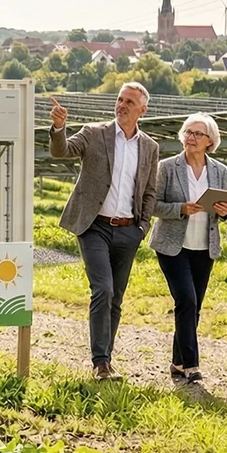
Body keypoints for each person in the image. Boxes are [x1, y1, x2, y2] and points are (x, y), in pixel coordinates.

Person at [48, 82, 160, 380]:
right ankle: (100, 362)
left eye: (129, 102)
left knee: (117, 297)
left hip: (128, 231)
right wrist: (59, 128)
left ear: (142, 110)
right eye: (120, 99)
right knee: (103, 289)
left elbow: (149, 191)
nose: (122, 105)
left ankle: (106, 360)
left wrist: (142, 227)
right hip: (94, 226)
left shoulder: (149, 147)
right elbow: (63, 151)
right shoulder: (93, 132)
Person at [149, 113, 227, 384]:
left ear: (210, 141)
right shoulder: (167, 167)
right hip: (172, 244)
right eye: (188, 132)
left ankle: (177, 361)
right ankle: (192, 365)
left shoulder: (219, 170)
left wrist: (225, 210)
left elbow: (224, 210)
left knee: (192, 307)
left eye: (198, 134)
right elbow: (152, 205)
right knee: (186, 299)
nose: (191, 137)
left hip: (204, 245)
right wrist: (180, 209)